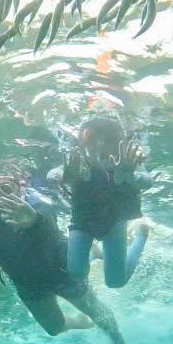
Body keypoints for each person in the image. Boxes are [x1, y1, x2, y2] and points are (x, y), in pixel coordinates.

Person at [0, 173, 134, 344]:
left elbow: (44, 220)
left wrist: (32, 219)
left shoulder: (38, 205)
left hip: (61, 271)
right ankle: (79, 321)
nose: (0, 195)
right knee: (54, 328)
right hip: (29, 285)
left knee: (96, 312)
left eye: (6, 189)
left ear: (19, 189)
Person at [59, 116, 152, 289]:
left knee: (115, 282)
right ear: (82, 144)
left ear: (119, 144)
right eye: (92, 139)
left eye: (108, 140)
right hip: (82, 223)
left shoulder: (128, 162)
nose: (100, 146)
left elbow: (147, 181)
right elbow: (53, 174)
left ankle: (141, 234)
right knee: (76, 274)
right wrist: (66, 175)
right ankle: (93, 253)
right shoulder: (77, 162)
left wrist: (130, 176)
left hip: (114, 224)